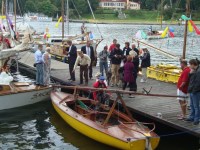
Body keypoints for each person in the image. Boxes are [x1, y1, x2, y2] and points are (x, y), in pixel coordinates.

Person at [186, 59, 200, 125]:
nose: (189, 66)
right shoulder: (194, 71)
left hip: (196, 91)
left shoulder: (198, 72)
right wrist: (190, 73)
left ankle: (196, 119)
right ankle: (192, 117)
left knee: (196, 106)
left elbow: (198, 83)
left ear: (193, 64)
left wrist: (193, 91)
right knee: (192, 105)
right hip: (192, 90)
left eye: (190, 64)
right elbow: (190, 79)